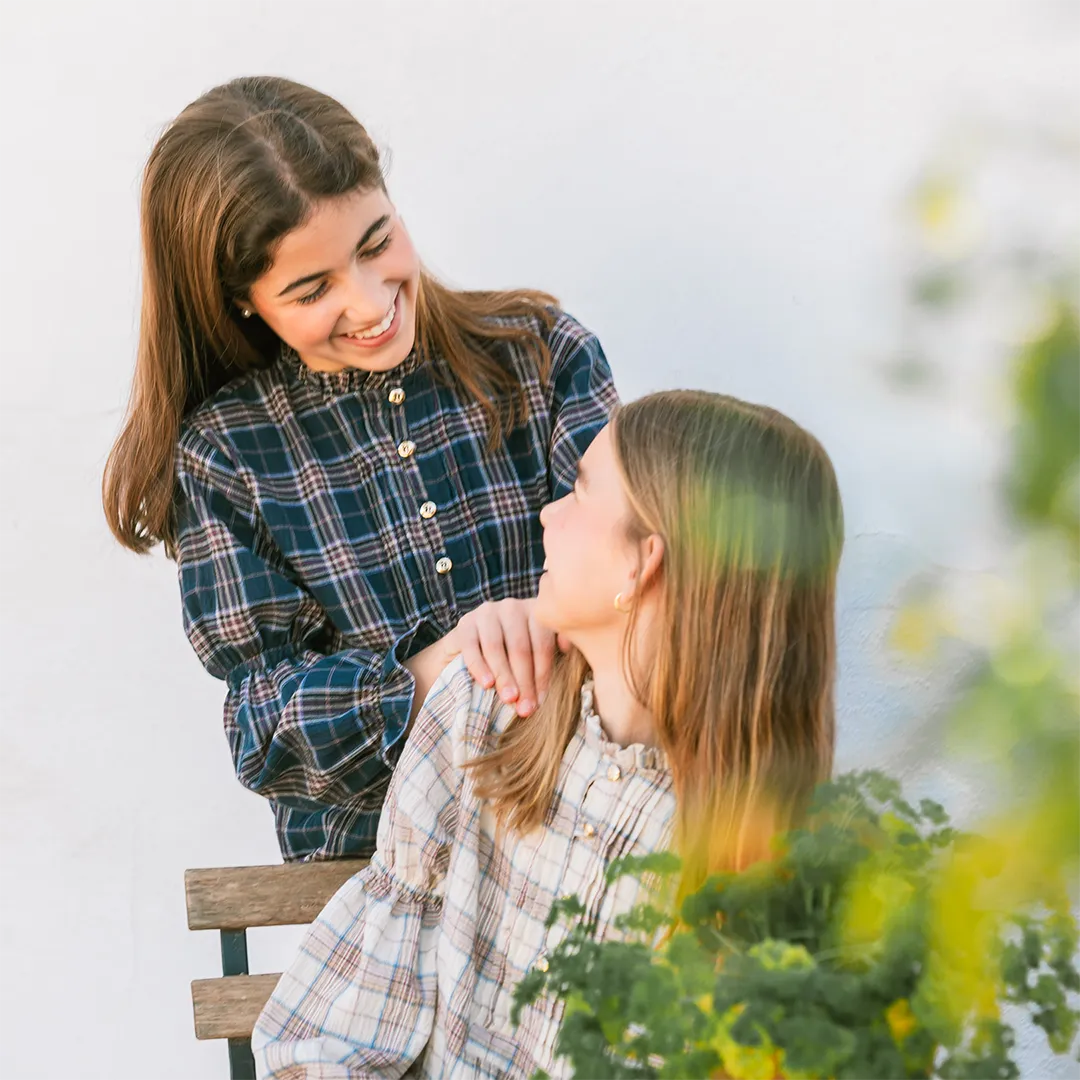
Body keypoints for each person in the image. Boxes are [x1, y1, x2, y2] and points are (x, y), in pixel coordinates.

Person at [252, 389, 845, 1079]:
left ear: (641, 563)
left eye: (580, 493)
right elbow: (341, 1032)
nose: (547, 512)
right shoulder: (482, 710)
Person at [101, 76, 617, 860]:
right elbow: (264, 727)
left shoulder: (542, 354)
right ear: (243, 302)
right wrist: (434, 673)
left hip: (581, 847)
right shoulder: (227, 456)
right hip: (378, 891)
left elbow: (650, 588)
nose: (371, 302)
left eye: (376, 243)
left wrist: (543, 627)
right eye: (312, 289)